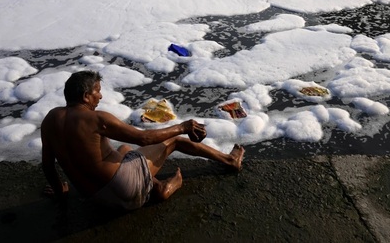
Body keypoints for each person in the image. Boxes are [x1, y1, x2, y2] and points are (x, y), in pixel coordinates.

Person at [41, 70, 244, 211]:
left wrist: (60, 191)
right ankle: (228, 161)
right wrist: (183, 126)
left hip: (94, 199)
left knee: (124, 149)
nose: (100, 96)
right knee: (175, 141)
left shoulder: (50, 119)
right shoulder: (96, 118)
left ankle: (153, 185)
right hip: (126, 192)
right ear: (86, 96)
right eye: (97, 91)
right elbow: (145, 138)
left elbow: (48, 165)